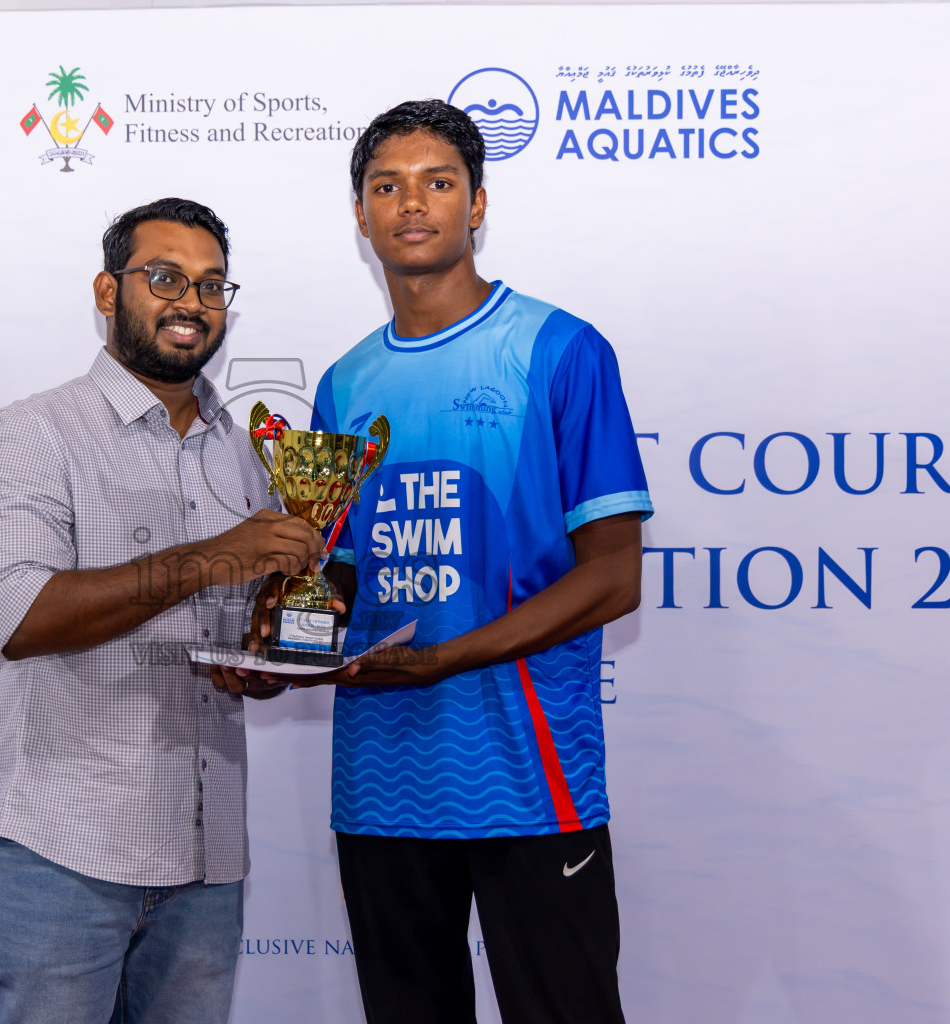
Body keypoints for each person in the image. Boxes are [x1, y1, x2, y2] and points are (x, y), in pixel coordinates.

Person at [228, 100, 654, 1022]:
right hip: (383, 781)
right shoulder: (345, 382)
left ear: (477, 204)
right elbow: (340, 566)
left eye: (437, 182)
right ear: (360, 215)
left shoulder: (559, 350)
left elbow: (616, 576)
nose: (411, 203)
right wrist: (287, 639)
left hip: (527, 778)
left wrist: (448, 658)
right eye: (387, 185)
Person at [0, 197, 320, 1024]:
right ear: (106, 289)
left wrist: (260, 662)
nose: (191, 302)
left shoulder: (243, 447)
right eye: (164, 277)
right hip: (65, 856)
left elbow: (230, 622)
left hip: (208, 858)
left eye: (212, 285)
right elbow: (20, 617)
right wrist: (209, 560)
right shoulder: (35, 432)